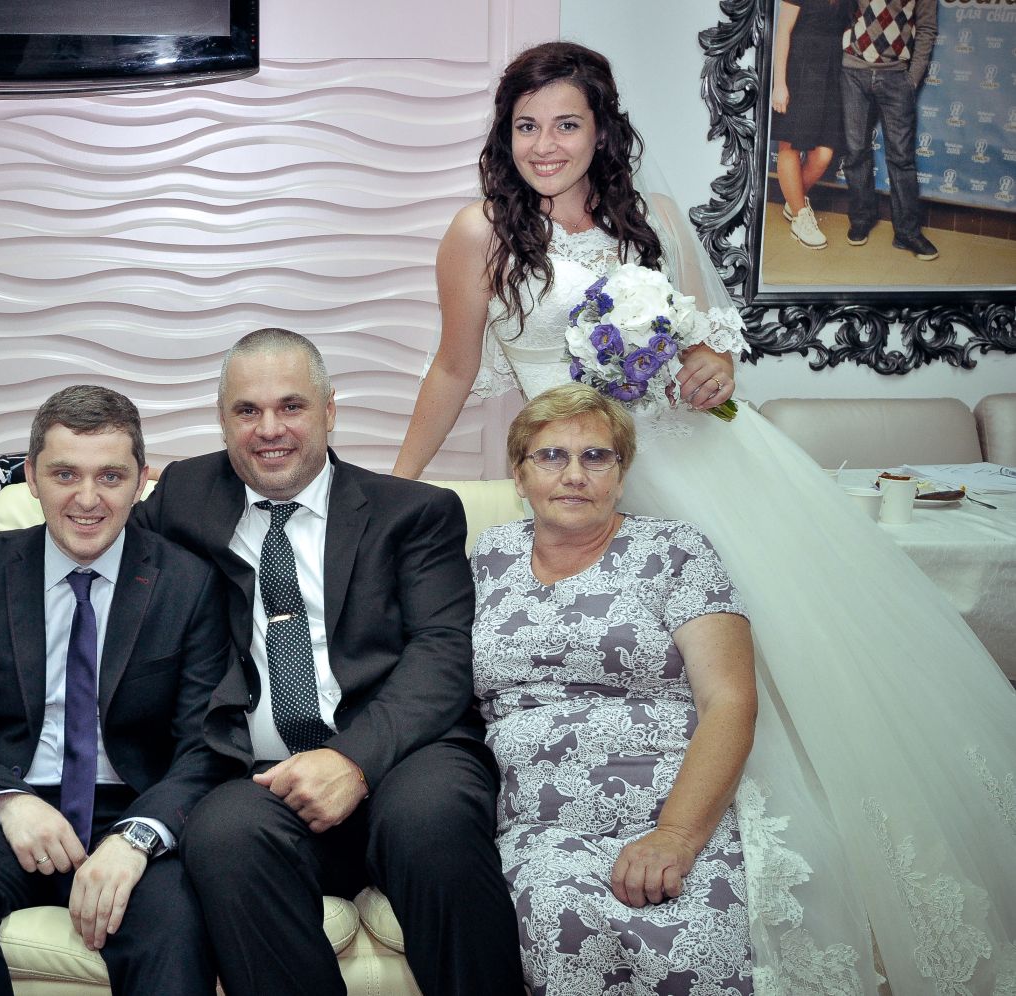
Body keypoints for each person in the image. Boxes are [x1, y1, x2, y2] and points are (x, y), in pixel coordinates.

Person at [393, 40, 1016, 994]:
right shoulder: (480, 232)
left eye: (566, 124)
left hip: (706, 463)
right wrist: (392, 491)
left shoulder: (655, 219)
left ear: (602, 131)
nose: (545, 145)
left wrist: (714, 367)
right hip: (590, 470)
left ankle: (785, 871)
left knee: (792, 660)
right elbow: (452, 367)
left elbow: (704, 347)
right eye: (526, 126)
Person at [0, 329, 526, 996]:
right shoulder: (184, 495)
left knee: (429, 820)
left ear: (329, 411)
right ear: (222, 420)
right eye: (247, 411)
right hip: (261, 776)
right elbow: (82, 512)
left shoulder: (414, 513)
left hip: (402, 756)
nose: (269, 429)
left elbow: (440, 656)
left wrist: (351, 761)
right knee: (223, 835)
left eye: (291, 406)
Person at [0, 385, 233, 996]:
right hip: (0, 807)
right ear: (31, 477)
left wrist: (139, 837)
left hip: (131, 809)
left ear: (140, 482)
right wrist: (8, 802)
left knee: (178, 923)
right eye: (65, 474)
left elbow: (204, 746)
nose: (88, 499)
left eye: (111, 476)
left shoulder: (189, 583)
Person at [475, 384, 756, 994]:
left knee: (697, 942)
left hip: (672, 806)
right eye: (550, 456)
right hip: (540, 822)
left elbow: (730, 700)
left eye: (596, 457)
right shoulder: (488, 557)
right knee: (557, 915)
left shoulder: (676, 550)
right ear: (518, 475)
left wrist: (676, 836)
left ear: (621, 476)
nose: (574, 474)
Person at [841, 0, 939, 259]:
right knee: (855, 151)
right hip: (853, 72)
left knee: (901, 157)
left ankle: (907, 232)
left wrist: (912, 79)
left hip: (896, 77)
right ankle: (861, 218)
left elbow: (927, 28)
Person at [770, 0, 848, 250]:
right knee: (790, 146)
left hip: (829, 75)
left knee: (823, 154)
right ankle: (800, 217)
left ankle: (794, 203)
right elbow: (783, 31)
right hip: (799, 71)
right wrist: (779, 84)